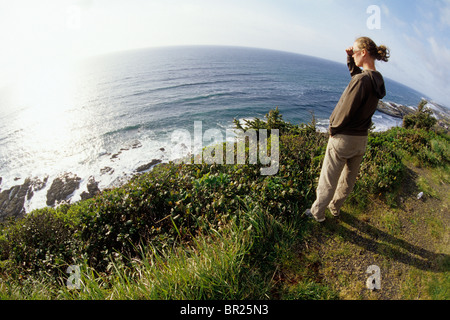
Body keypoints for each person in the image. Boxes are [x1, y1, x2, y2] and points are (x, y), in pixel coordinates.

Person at [305, 37, 390, 222]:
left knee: (329, 179)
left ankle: (317, 214)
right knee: (348, 180)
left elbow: (345, 109)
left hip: (344, 139)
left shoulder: (362, 80)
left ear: (364, 52)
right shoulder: (377, 79)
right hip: (361, 140)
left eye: (356, 52)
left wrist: (333, 128)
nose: (353, 54)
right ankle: (335, 208)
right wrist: (351, 60)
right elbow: (359, 79)